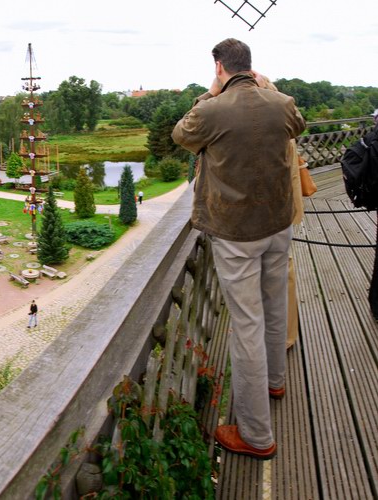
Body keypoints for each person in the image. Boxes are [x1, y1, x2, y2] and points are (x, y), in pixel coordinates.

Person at [172, 38, 304, 461]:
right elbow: (297, 125)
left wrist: (208, 94)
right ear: (251, 66)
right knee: (273, 304)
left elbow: (180, 134)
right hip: (278, 223)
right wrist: (268, 89)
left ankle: (256, 435)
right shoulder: (279, 102)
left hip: (237, 234)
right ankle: (275, 382)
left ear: (219, 66)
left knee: (246, 326)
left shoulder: (211, 109)